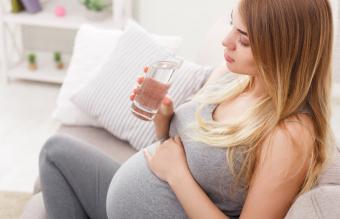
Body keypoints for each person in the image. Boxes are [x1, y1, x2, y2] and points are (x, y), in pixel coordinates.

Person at [39, 0, 336, 218]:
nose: (227, 40)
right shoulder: (232, 76)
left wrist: (176, 174)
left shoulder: (290, 133)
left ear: (283, 50)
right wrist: (163, 118)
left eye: (243, 39)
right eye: (232, 24)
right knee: (55, 153)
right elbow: (175, 147)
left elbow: (178, 165)